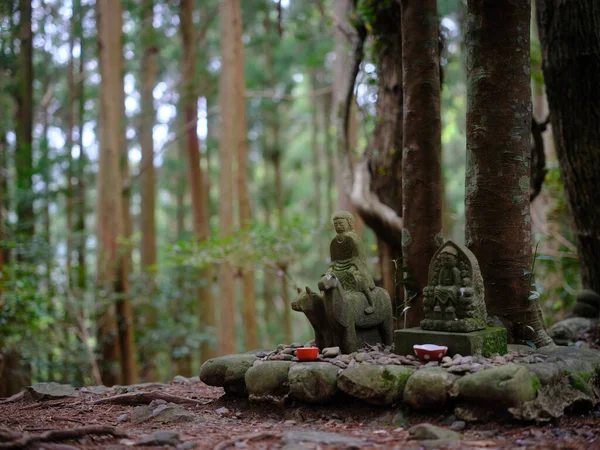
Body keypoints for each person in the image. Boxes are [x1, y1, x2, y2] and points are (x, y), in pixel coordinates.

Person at [326, 211, 376, 314]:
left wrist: (352, 269)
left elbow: (359, 258)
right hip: (338, 269)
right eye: (336, 224)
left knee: (359, 280)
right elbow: (334, 260)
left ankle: (372, 303)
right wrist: (330, 269)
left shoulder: (353, 239)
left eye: (341, 224)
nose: (338, 226)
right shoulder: (334, 241)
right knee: (325, 280)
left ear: (349, 223)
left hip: (353, 268)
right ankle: (326, 305)